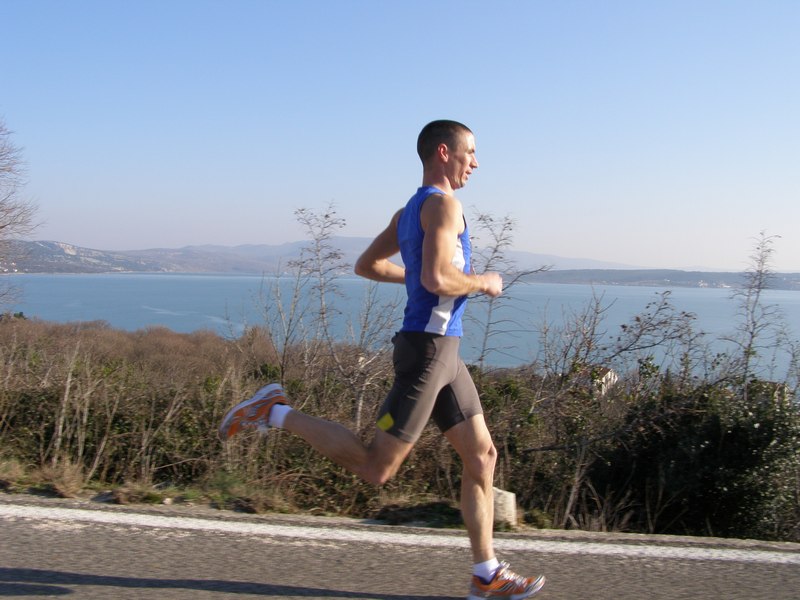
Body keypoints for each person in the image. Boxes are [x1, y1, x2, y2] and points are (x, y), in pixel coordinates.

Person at [219, 120, 546, 599]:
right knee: (377, 468)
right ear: (443, 152)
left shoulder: (409, 210)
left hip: (445, 352)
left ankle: (486, 575)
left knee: (482, 457)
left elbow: (368, 266)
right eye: (470, 152)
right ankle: (273, 411)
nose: (475, 162)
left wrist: (416, 276)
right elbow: (438, 279)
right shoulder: (443, 205)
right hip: (428, 352)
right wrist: (482, 280)